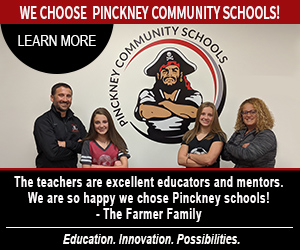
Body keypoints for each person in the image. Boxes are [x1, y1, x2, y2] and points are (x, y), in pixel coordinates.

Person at [134, 47, 203, 143]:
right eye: (165, 71)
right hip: (151, 141)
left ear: (181, 74)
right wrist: (178, 110)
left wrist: (167, 104)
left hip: (185, 143)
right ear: (158, 75)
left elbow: (194, 113)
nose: (169, 75)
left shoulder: (194, 94)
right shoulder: (147, 93)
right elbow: (147, 112)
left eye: (174, 70)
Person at [33, 83, 87, 168]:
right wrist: (75, 147)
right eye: (61, 95)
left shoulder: (76, 121)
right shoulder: (43, 122)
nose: (65, 99)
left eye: (68, 96)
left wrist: (66, 144)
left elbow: (86, 148)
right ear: (52, 98)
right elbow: (53, 154)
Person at [222, 97, 277, 168]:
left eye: (253, 111)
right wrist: (241, 149)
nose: (248, 115)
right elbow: (224, 155)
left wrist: (228, 146)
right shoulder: (239, 132)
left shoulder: (267, 134)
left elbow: (248, 155)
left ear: (261, 113)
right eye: (245, 112)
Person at [177, 102, 226, 168]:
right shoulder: (189, 135)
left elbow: (209, 160)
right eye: (203, 114)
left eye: (210, 115)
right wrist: (203, 163)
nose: (206, 117)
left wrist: (189, 155)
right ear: (198, 115)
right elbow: (181, 160)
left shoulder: (219, 136)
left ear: (214, 118)